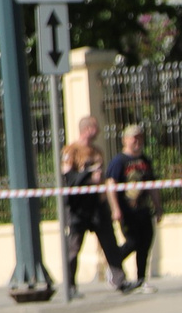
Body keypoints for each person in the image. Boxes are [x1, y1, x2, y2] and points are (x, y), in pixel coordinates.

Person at [60, 116, 128, 295]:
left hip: (97, 204)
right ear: (88, 129)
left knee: (109, 243)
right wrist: (88, 176)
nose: (98, 130)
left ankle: (119, 280)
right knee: (74, 246)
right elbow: (68, 177)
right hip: (79, 207)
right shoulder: (71, 150)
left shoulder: (97, 152)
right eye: (96, 127)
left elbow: (103, 177)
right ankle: (70, 285)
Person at [105, 124, 160, 291]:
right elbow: (110, 185)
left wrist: (158, 206)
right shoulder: (119, 161)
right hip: (127, 211)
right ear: (125, 140)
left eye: (140, 137)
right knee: (133, 242)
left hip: (143, 210)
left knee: (145, 243)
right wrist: (116, 209)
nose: (137, 141)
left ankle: (141, 280)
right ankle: (114, 265)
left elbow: (152, 185)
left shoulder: (145, 161)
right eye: (133, 138)